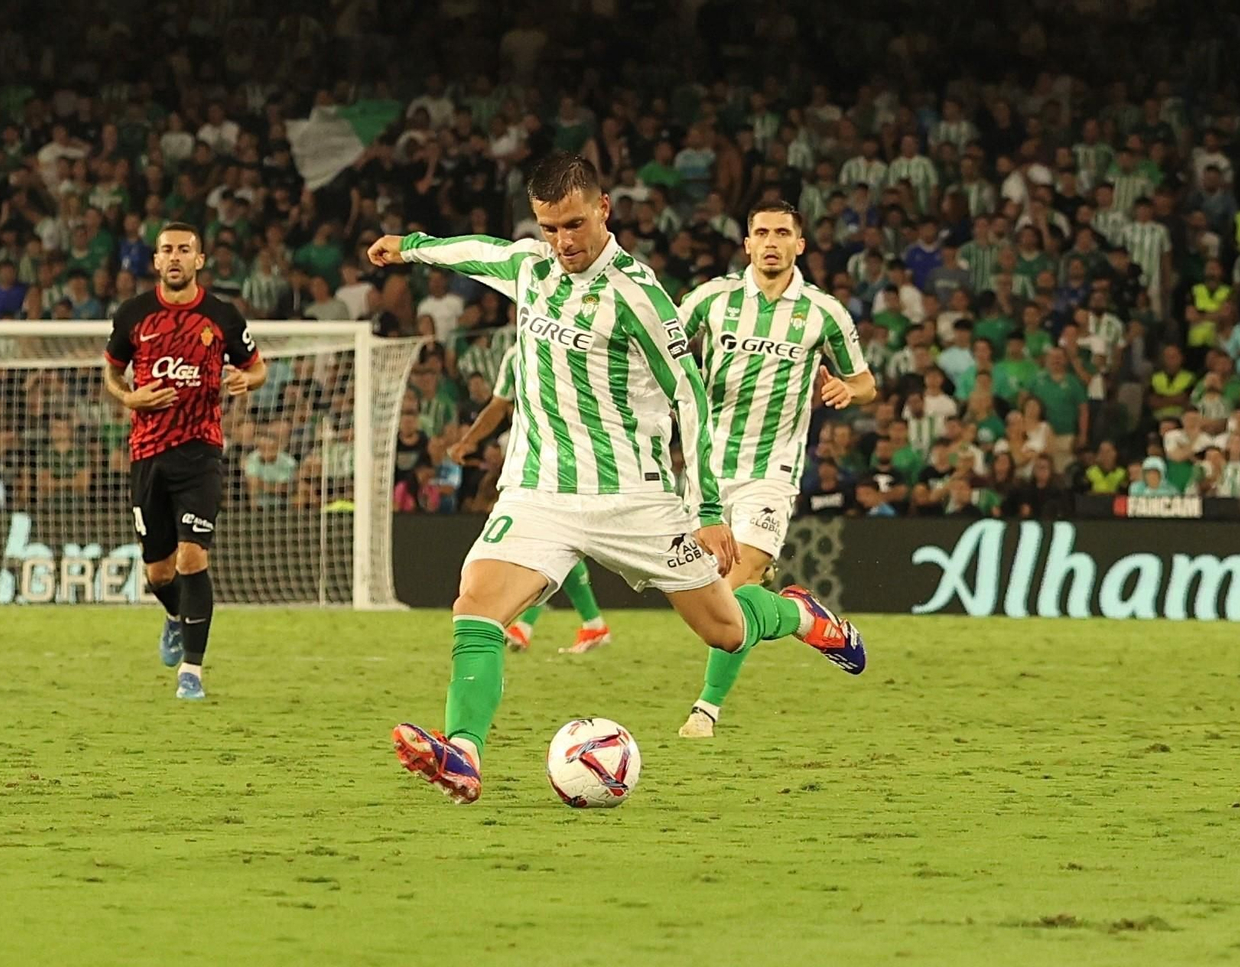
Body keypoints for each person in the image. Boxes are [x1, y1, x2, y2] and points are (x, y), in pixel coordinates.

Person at [367, 152, 865, 804]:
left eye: (573, 224)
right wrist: (410, 246)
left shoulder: (638, 294)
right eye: (549, 227)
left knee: (726, 629)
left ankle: (794, 613)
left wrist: (709, 504)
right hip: (541, 488)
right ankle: (463, 753)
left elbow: (690, 394)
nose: (562, 242)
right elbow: (477, 250)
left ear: (604, 209)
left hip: (638, 499)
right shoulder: (531, 266)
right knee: (476, 604)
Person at [673, 200, 876, 738]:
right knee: (707, 599)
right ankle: (806, 618)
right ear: (746, 243)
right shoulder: (711, 299)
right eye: (760, 231)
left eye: (782, 233)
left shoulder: (823, 312)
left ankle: (706, 710)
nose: (770, 241)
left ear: (799, 245)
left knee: (736, 586)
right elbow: (661, 346)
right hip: (706, 472)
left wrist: (844, 389)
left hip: (773, 470)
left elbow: (866, 381)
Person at [103, 222, 267, 700]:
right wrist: (129, 400)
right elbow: (112, 374)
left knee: (192, 557)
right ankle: (174, 617)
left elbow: (257, 367)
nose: (175, 257)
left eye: (185, 250)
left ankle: (191, 672)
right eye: (167, 250)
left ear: (200, 260)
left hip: (200, 452)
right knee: (159, 572)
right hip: (148, 454)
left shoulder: (222, 316)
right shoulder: (133, 314)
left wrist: (245, 382)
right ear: (155, 261)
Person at [448, 346, 613, 654]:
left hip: (578, 464)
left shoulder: (583, 344)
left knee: (550, 545)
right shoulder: (517, 354)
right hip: (536, 470)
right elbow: (499, 406)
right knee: (557, 546)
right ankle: (590, 626)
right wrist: (469, 440)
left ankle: (529, 626)